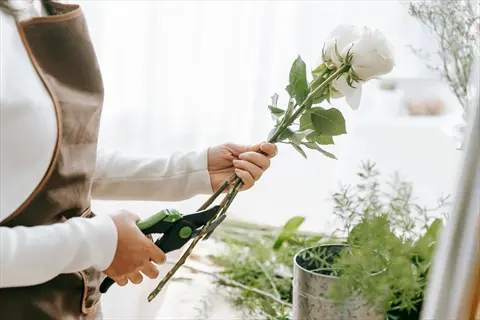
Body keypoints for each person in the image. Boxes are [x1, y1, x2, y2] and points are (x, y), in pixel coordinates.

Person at [0, 0, 277, 319]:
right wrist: (97, 243)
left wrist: (193, 171)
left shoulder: (37, 6)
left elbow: (58, 159)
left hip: (68, 303)